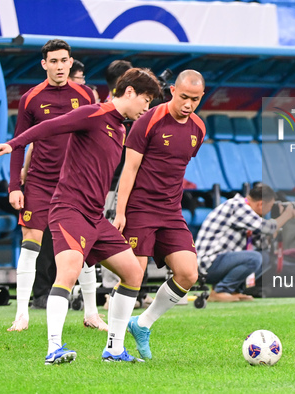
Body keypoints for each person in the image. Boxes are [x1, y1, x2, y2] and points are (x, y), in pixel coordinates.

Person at [0, 67, 162, 364]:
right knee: (68, 272)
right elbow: (50, 126)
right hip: (69, 210)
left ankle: (114, 349)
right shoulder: (93, 113)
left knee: (134, 273)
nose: (147, 108)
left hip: (95, 217)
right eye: (146, 100)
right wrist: (14, 144)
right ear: (130, 92)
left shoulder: (121, 128)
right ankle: (53, 348)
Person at [7, 39, 105, 332]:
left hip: (76, 184)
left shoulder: (86, 94)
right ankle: (21, 314)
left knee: (83, 245)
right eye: (54, 61)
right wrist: (15, 185)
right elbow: (18, 144)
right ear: (44, 64)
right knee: (31, 242)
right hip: (39, 182)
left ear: (71, 62)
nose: (60, 66)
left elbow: (97, 138)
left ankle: (91, 313)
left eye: (65, 61)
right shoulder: (30, 98)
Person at [109, 70, 206, 360]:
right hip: (140, 209)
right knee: (133, 275)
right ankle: (114, 345)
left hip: (171, 211)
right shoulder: (148, 120)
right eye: (185, 97)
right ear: (172, 91)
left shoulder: (198, 129)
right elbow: (130, 169)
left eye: (196, 99)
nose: (189, 104)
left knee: (189, 273)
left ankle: (142, 324)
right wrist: (121, 211)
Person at [196, 184, 295, 302]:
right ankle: (220, 291)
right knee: (254, 258)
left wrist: (278, 221)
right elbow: (267, 227)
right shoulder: (237, 206)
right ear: (261, 204)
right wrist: (286, 215)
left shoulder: (248, 214)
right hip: (206, 265)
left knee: (264, 257)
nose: (269, 211)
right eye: (269, 207)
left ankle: (233, 290)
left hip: (220, 262)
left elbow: (263, 244)